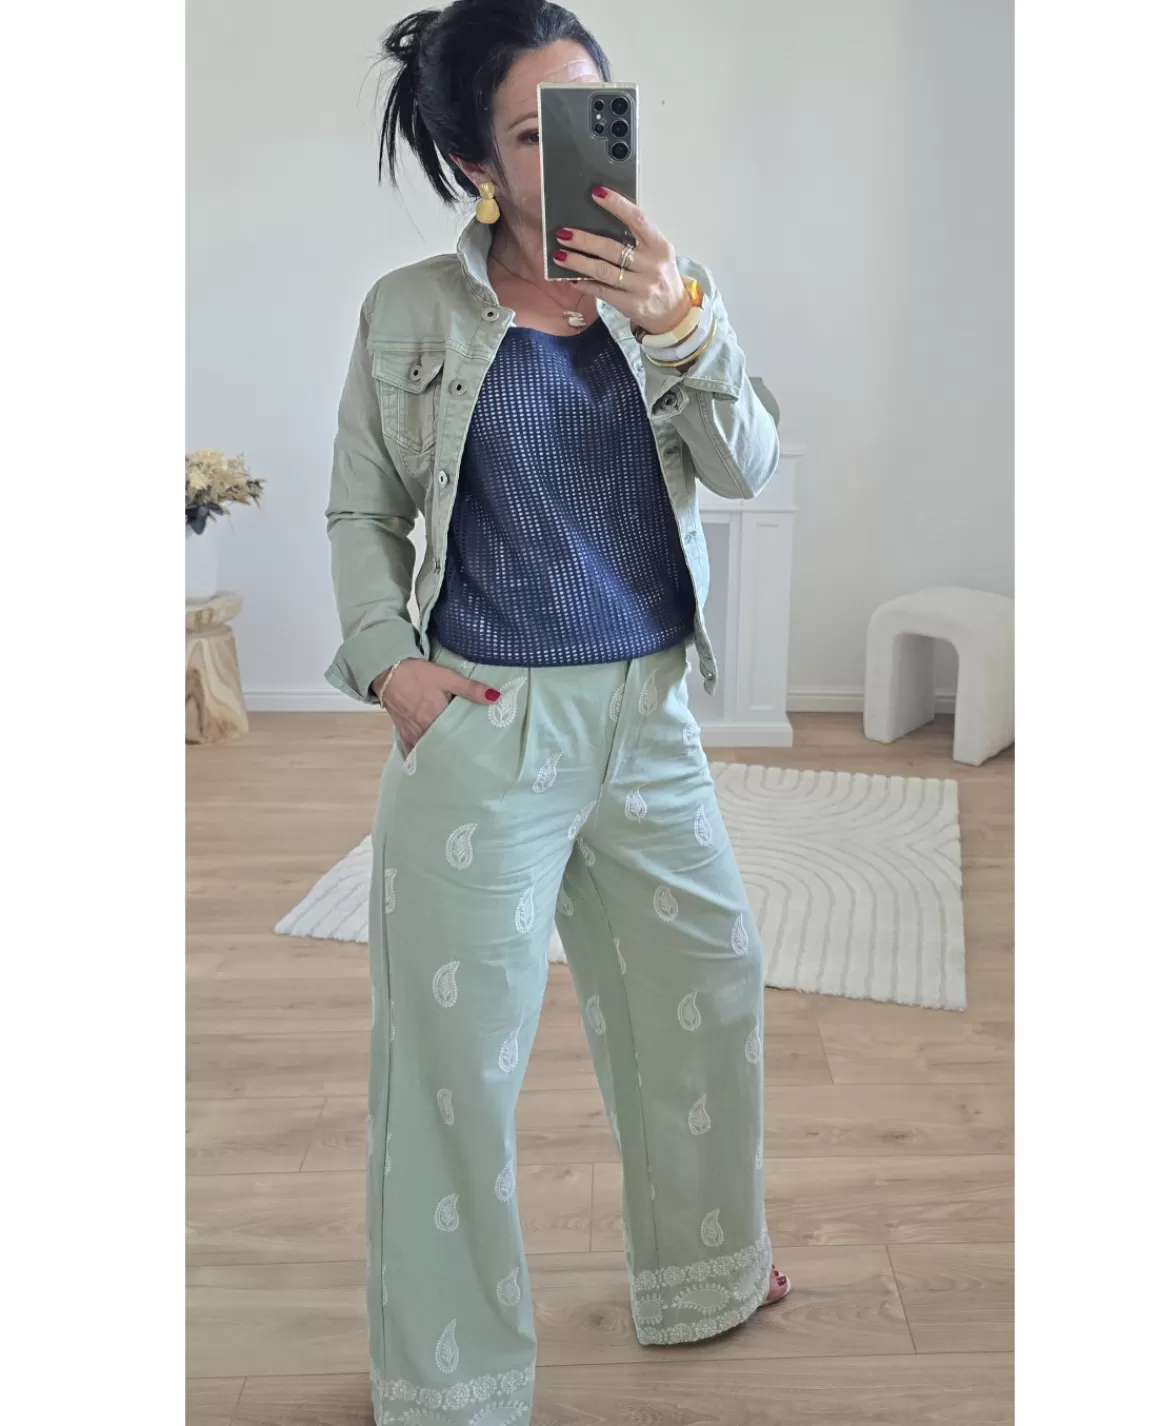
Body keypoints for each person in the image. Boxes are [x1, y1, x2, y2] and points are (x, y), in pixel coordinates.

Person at [322, 2, 787, 1421]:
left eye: (596, 112)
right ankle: (451, 1380)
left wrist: (682, 325)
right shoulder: (411, 309)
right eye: (535, 132)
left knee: (708, 986)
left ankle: (706, 1275)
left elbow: (750, 463)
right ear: (477, 162)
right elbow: (362, 508)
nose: (578, 151)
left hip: (649, 714)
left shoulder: (673, 292)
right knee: (455, 1063)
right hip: (483, 725)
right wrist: (389, 665)